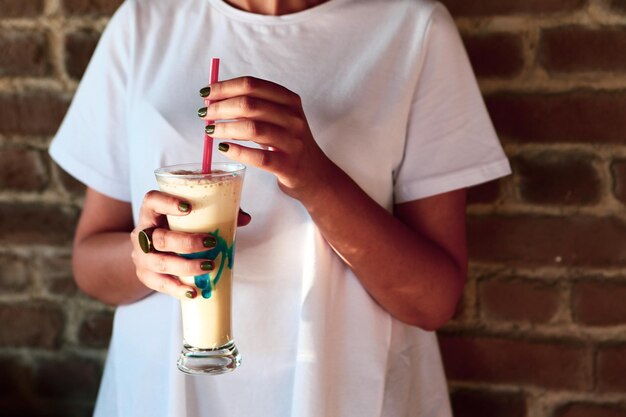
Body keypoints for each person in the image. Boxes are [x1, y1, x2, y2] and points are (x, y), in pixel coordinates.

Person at [49, 0, 511, 415]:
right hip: (160, 395)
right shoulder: (144, 23)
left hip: (346, 396)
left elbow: (432, 301)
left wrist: (316, 178)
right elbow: (90, 263)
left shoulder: (415, 29)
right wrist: (148, 257)